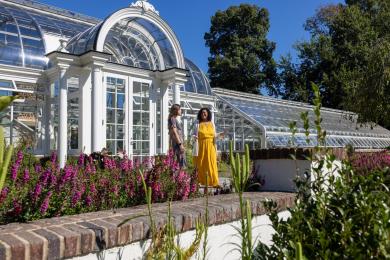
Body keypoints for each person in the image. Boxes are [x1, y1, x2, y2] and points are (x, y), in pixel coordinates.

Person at [192, 107, 224, 187]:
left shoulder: (212, 124)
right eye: (202, 112)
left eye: (205, 112)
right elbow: (193, 134)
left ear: (208, 114)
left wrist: (220, 135)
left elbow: (214, 135)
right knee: (201, 163)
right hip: (201, 145)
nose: (204, 114)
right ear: (200, 114)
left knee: (211, 163)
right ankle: (200, 181)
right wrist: (194, 137)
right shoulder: (197, 123)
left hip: (211, 146)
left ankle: (214, 182)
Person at [168, 104, 186, 168]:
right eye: (180, 109)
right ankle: (181, 177)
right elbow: (175, 132)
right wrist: (180, 144)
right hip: (177, 144)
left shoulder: (173, 119)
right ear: (176, 110)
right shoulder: (172, 119)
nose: (181, 111)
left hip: (177, 143)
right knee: (180, 163)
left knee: (179, 162)